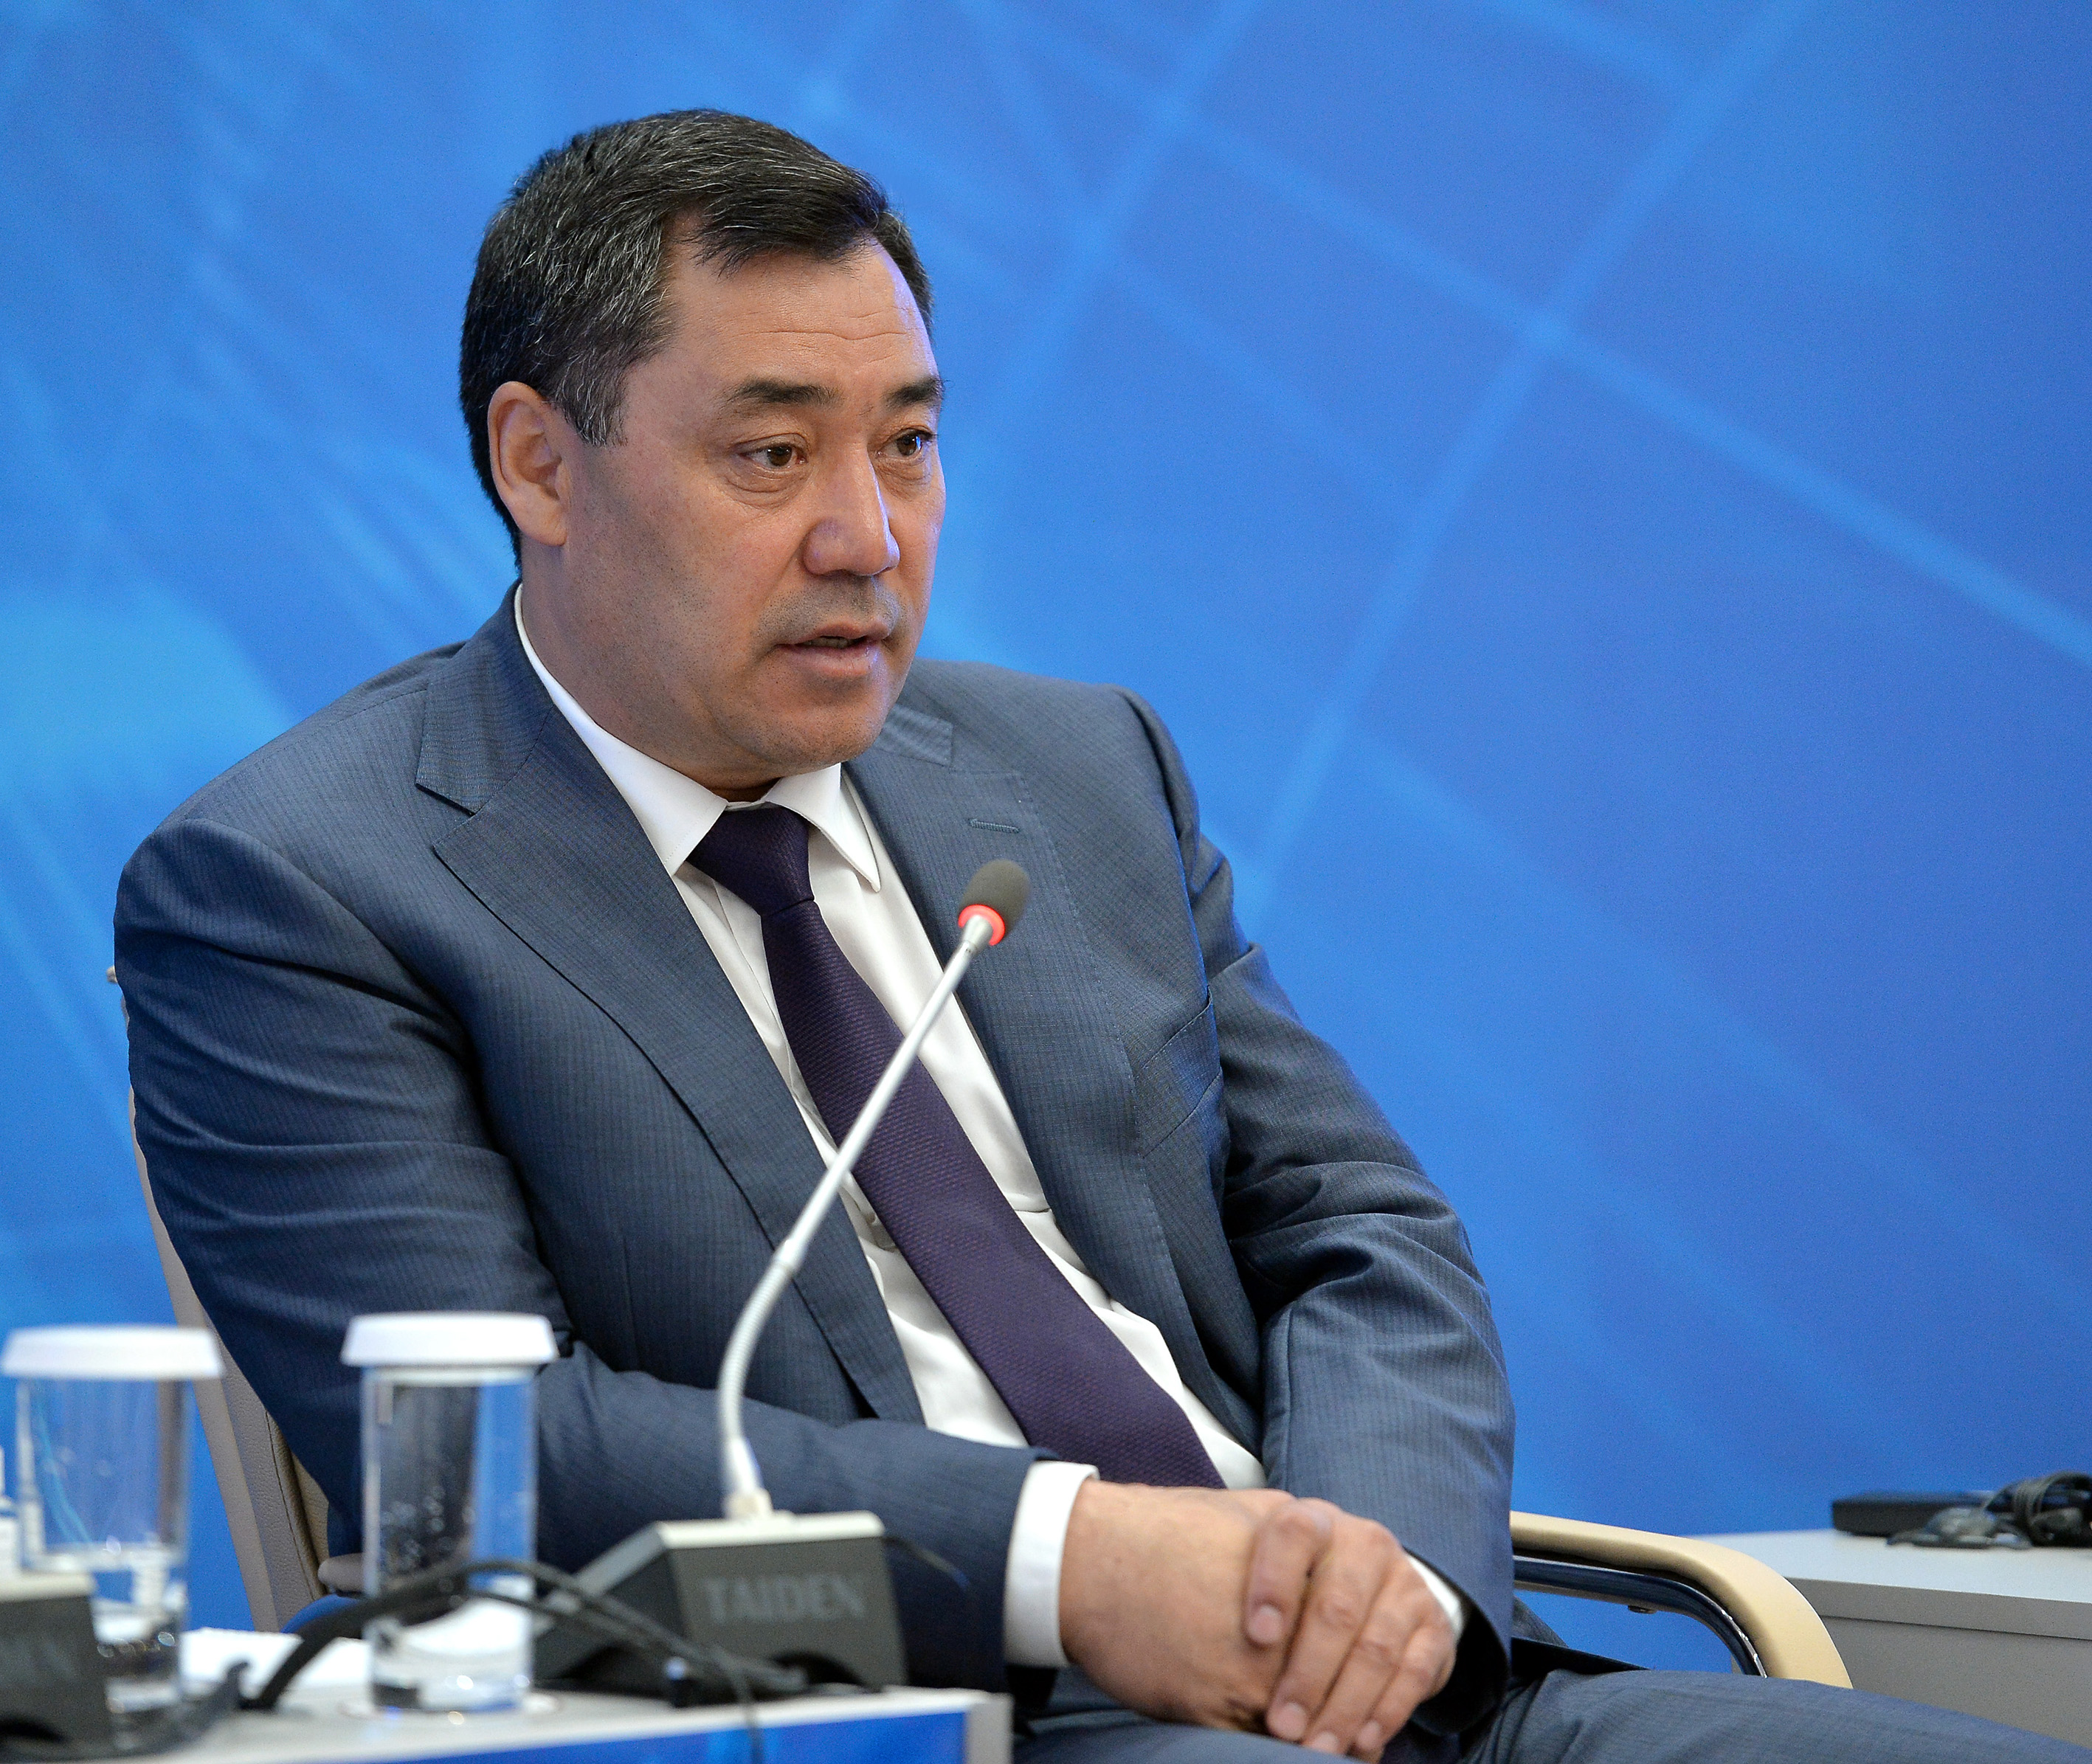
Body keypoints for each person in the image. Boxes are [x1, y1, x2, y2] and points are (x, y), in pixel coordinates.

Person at [115, 110, 2083, 1763]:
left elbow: (1361, 1231)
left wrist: (1382, 1580)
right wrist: (1077, 1563)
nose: (867, 538)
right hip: (921, 1719)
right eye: (771, 454)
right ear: (539, 463)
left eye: (907, 443)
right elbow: (489, 1458)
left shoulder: (1069, 774)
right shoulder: (305, 882)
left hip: (1398, 1694)